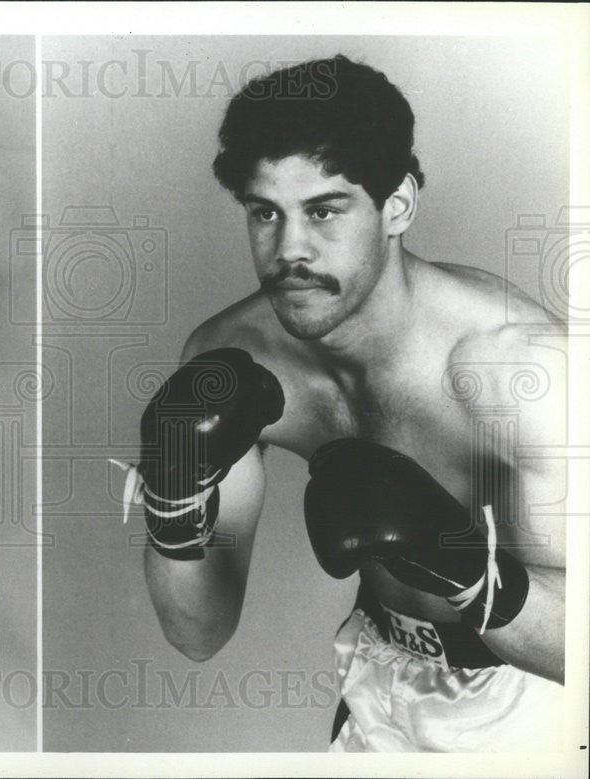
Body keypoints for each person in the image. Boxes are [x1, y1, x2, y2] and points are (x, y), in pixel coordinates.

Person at [133, 55, 566, 751]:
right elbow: (198, 631)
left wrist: (463, 568)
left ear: (397, 205)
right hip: (377, 678)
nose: (289, 250)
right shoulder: (234, 355)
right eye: (264, 212)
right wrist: (172, 498)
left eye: (324, 210)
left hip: (534, 700)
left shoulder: (518, 370)